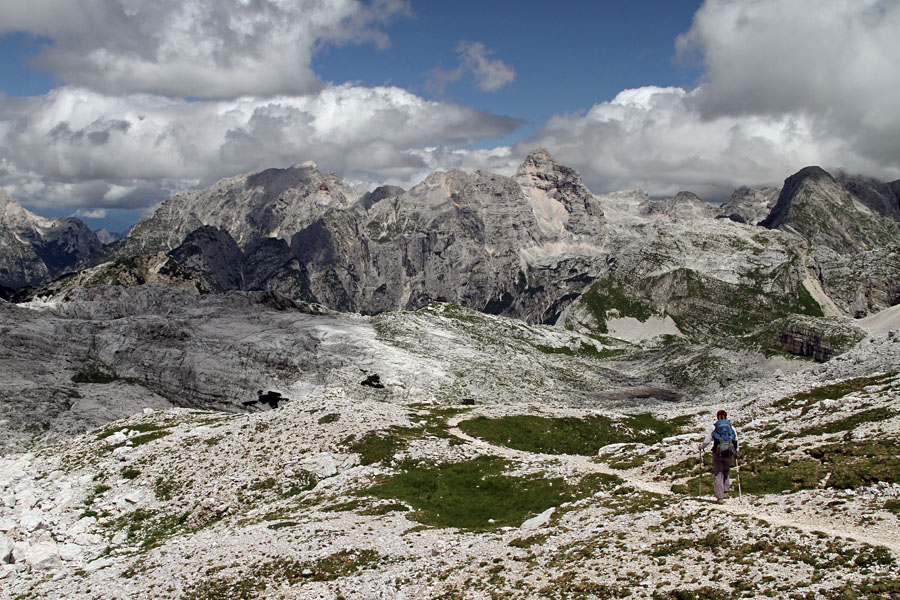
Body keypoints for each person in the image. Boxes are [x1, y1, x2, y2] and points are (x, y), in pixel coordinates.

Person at [698, 409, 738, 503]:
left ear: (717, 417)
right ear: (726, 416)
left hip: (717, 453)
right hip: (729, 452)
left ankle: (720, 497)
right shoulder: (731, 427)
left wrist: (701, 447)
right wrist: (737, 451)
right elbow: (736, 439)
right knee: (726, 471)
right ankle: (726, 492)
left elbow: (707, 440)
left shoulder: (714, 427)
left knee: (718, 473)